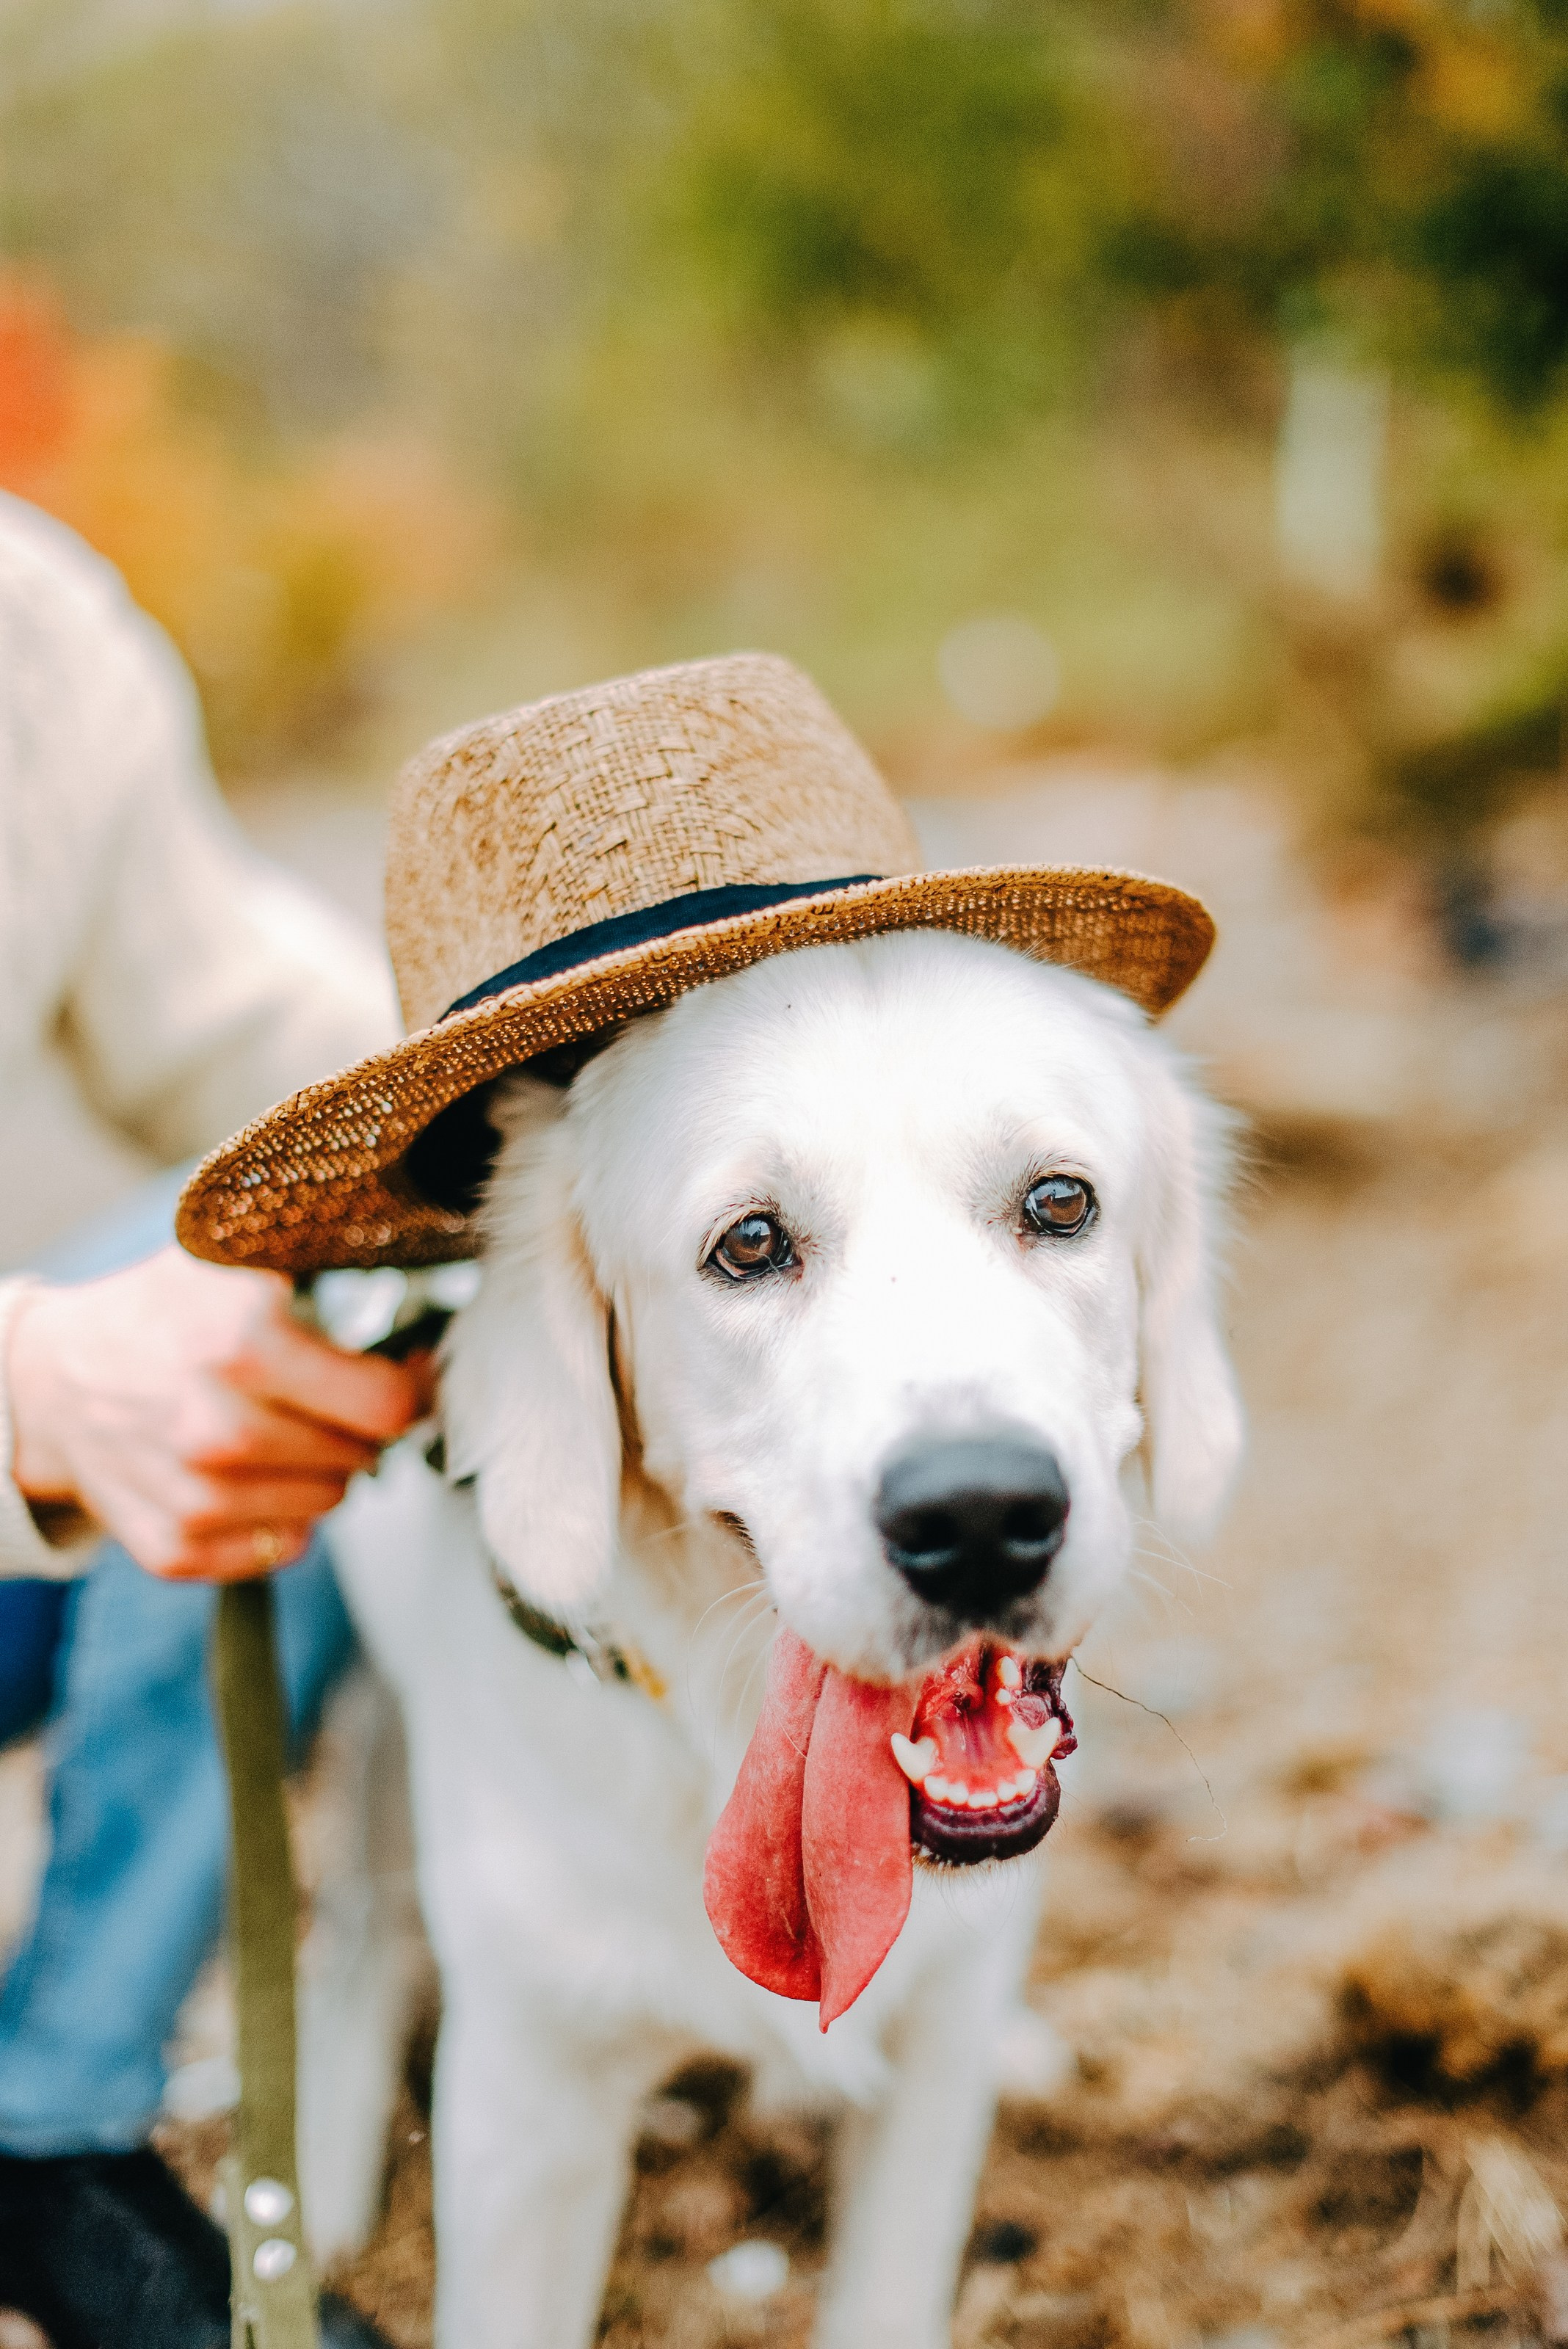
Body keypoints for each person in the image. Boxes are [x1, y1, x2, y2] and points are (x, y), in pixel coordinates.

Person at [0, 491, 425, 2348]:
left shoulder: (30, 632)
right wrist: (29, 1384)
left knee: (284, 1274)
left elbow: (253, 1024)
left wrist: (554, 1070)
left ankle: (52, 2126)